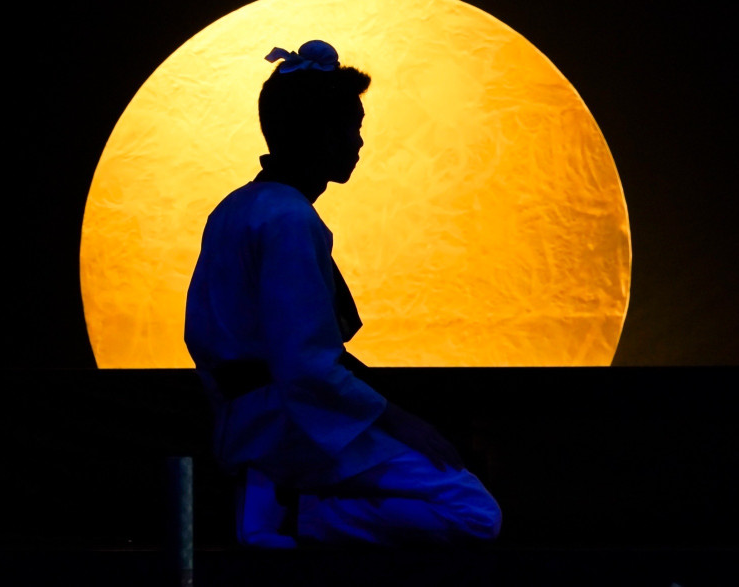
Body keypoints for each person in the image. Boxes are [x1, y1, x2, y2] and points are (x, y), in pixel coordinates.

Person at [184, 39, 502, 548]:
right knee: (472, 511)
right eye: (350, 128)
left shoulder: (237, 208)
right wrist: (399, 420)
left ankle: (284, 508)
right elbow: (307, 364)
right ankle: (292, 515)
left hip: (249, 418)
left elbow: (213, 338)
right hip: (290, 422)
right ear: (317, 134)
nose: (358, 143)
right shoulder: (287, 217)